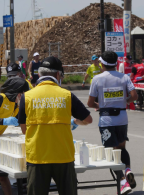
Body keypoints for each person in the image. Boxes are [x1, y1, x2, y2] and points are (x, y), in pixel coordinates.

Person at [18, 56, 93, 195]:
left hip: (37, 157)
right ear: (58, 74)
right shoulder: (67, 95)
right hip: (63, 156)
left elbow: (23, 130)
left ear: (39, 73)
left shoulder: (26, 97)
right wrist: (74, 122)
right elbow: (88, 119)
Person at [87, 51, 138, 194]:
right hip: (122, 117)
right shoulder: (124, 77)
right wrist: (124, 101)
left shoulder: (97, 79)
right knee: (122, 148)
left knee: (110, 154)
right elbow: (134, 96)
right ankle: (128, 169)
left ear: (102, 63)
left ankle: (122, 182)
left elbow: (90, 102)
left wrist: (100, 105)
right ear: (116, 63)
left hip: (106, 119)